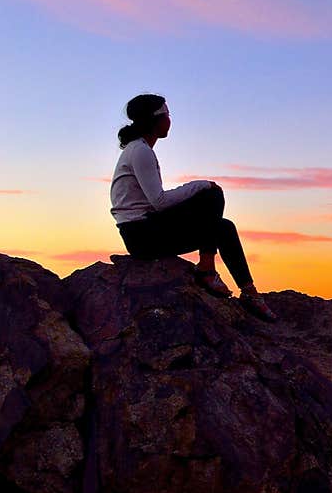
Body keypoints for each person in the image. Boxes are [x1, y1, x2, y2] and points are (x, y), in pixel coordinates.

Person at [109, 93, 277, 322]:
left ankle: (247, 291)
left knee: (223, 228)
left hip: (145, 228)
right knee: (212, 194)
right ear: (155, 119)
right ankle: (207, 270)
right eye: (167, 115)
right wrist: (198, 185)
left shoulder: (139, 149)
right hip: (142, 234)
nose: (170, 120)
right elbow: (159, 202)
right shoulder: (140, 151)